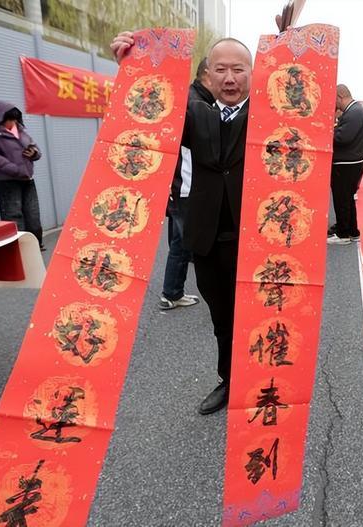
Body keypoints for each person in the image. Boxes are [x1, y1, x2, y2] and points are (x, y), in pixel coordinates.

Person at [111, 33, 252, 415]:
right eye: (220, 69)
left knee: (260, 317)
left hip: (258, 241)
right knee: (222, 318)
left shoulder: (269, 115)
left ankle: (262, 382)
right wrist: (131, 68)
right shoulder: (193, 114)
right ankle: (229, 379)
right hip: (207, 239)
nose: (229, 78)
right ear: (208, 74)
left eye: (238, 69)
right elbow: (147, 113)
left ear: (252, 73)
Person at [159, 58, 215, 311]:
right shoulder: (195, 103)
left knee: (179, 242)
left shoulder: (194, 99)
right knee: (187, 242)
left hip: (179, 186)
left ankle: (172, 292)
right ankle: (173, 293)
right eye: (220, 71)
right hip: (185, 187)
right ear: (207, 74)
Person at [0, 101, 44, 250]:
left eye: (15, 119)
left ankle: (35, 245)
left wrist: (34, 153)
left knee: (33, 214)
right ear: (0, 118)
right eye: (9, 119)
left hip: (27, 180)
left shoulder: (21, 132)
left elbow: (36, 150)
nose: (13, 123)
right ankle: (18, 249)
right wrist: (16, 169)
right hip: (8, 182)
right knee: (13, 216)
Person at [327, 84, 363, 246]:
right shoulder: (355, 111)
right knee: (347, 199)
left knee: (342, 199)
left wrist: (327, 132)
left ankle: (343, 234)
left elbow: (342, 138)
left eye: (334, 100)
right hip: (351, 162)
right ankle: (351, 230)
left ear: (339, 96)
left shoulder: (354, 112)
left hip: (347, 163)